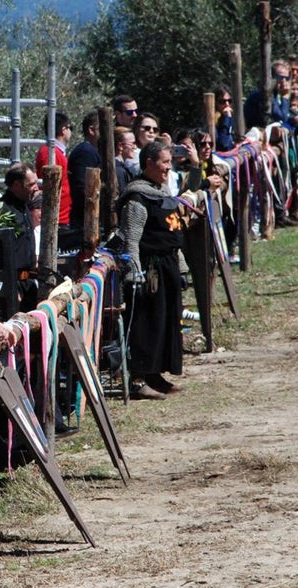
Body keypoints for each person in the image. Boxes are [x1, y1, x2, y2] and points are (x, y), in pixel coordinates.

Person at [118, 141, 185, 400]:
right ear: (149, 163)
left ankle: (155, 374)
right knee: (147, 324)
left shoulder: (161, 190)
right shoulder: (137, 197)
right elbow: (131, 239)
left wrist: (180, 268)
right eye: (164, 162)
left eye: (169, 162)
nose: (169, 167)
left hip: (167, 265)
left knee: (166, 322)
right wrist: (134, 273)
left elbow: (172, 235)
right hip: (149, 270)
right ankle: (138, 380)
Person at [67, 111, 103, 234]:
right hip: (85, 221)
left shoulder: (91, 151)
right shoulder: (86, 152)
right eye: (103, 129)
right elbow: (83, 187)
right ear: (92, 130)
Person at [35, 111, 72, 227]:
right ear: (63, 129)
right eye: (71, 128)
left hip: (61, 216)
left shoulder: (55, 152)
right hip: (57, 218)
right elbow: (50, 186)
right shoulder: (50, 153)